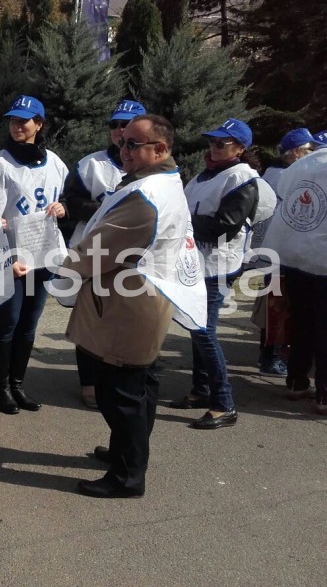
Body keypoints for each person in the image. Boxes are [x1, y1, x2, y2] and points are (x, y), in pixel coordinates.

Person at [60, 114, 206, 498]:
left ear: (160, 149)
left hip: (130, 303)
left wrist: (54, 264)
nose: (122, 151)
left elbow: (97, 251)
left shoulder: (146, 195)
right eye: (121, 143)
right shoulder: (159, 180)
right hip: (141, 296)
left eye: (132, 145)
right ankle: (127, 453)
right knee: (139, 386)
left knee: (120, 393)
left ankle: (127, 475)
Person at [172, 119, 271, 430]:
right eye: (212, 142)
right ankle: (201, 390)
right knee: (195, 326)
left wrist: (182, 224)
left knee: (204, 331)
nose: (213, 148)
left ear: (240, 148)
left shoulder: (242, 177)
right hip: (195, 263)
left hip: (216, 267)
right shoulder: (204, 175)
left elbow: (224, 227)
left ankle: (223, 403)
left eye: (221, 144)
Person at [0, 95, 68, 415]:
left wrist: (62, 206)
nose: (17, 125)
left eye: (24, 120)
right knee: (9, 320)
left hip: (41, 256)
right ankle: (0, 388)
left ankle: (18, 385)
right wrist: (4, 257)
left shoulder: (54, 163)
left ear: (38, 124)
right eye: (13, 120)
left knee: (30, 322)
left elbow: (68, 197)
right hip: (11, 257)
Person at [62, 99, 146, 408]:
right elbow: (71, 200)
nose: (119, 130)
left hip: (134, 258)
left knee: (124, 319)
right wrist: (105, 210)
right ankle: (89, 383)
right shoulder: (91, 164)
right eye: (114, 124)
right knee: (90, 317)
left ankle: (121, 379)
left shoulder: (151, 170)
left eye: (126, 124)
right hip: (95, 251)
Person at [262, 146, 327, 414]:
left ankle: (296, 381)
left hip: (295, 255)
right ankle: (324, 394)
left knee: (302, 323)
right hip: (322, 258)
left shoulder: (305, 163)